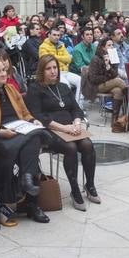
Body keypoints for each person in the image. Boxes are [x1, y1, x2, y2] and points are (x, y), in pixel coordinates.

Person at [0, 56, 49, 223]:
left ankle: (27, 179)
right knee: (31, 143)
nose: (3, 74)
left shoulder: (11, 89)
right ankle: (31, 199)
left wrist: (33, 121)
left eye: (4, 70)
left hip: (20, 129)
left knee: (32, 140)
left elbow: (25, 113)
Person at [27, 55, 99, 211]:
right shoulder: (35, 88)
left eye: (55, 68)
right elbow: (38, 115)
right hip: (50, 129)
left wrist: (77, 122)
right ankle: (74, 190)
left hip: (71, 127)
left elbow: (75, 109)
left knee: (87, 144)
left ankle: (90, 185)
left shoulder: (63, 87)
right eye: (48, 69)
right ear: (41, 70)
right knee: (71, 148)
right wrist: (63, 128)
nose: (53, 72)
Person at [84, 40, 129, 132]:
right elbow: (94, 79)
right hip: (96, 86)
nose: (112, 47)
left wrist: (108, 66)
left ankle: (114, 121)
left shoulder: (113, 57)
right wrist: (108, 77)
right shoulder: (95, 59)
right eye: (109, 45)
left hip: (110, 84)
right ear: (103, 47)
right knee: (118, 81)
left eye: (113, 45)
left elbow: (114, 74)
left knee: (118, 91)